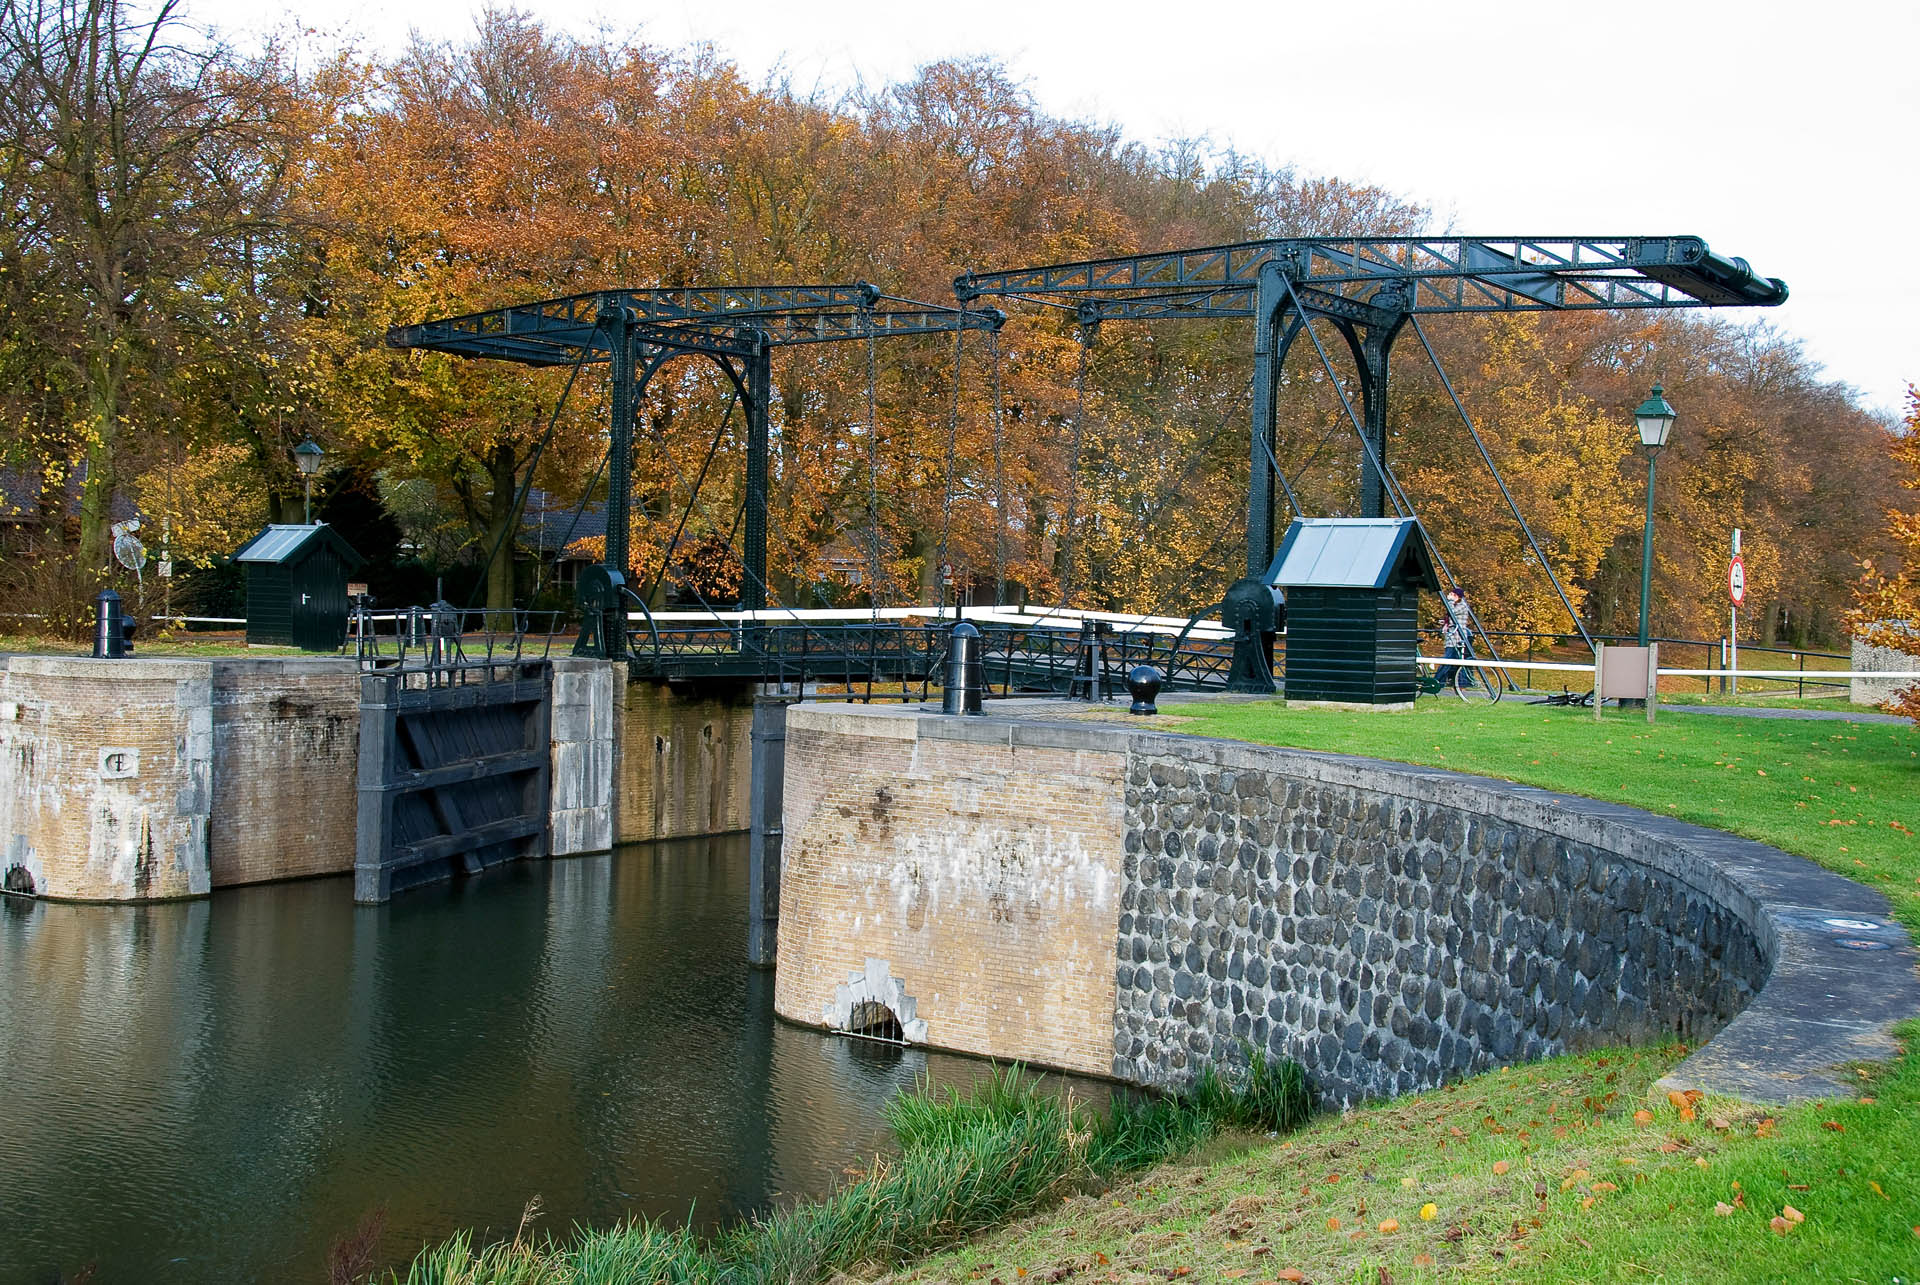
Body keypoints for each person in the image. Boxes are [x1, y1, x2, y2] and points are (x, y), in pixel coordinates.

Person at [1437, 586, 1472, 690]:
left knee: (1448, 660)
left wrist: (1450, 601)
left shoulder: (1462, 606)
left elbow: (1452, 611)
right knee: (1455, 660)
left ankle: (1439, 680)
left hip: (1457, 638)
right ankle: (1461, 683)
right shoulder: (1458, 605)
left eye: (1453, 595)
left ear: (1456, 596)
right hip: (1452, 637)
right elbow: (1453, 616)